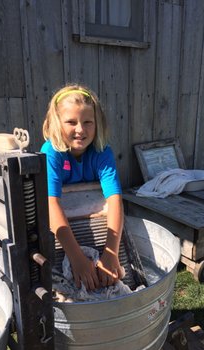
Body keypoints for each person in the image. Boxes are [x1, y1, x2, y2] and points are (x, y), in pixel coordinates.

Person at [41, 84, 124, 291]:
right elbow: (51, 202)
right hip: (61, 237)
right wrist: (77, 258)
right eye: (71, 122)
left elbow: (114, 199)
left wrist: (111, 253)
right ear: (56, 123)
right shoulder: (51, 153)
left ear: (97, 125)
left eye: (88, 122)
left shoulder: (102, 152)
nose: (80, 129)